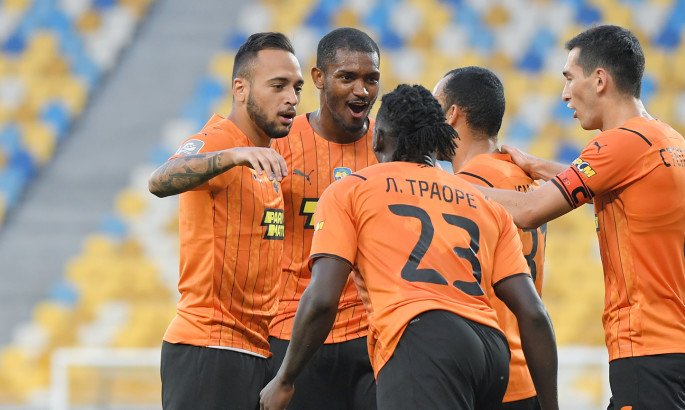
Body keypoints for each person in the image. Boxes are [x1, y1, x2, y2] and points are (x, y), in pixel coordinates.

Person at [260, 84, 559, 410]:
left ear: (377, 138)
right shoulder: (483, 201)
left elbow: (321, 298)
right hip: (490, 351)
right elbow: (533, 313)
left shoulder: (351, 190)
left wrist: (284, 379)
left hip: (421, 339)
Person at [477, 25, 685, 409]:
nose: (564, 93)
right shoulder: (667, 140)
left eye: (570, 78)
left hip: (646, 347)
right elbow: (617, 187)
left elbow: (528, 211)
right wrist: (538, 165)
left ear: (600, 80)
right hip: (672, 345)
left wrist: (440, 184)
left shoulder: (619, 142)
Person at [148, 32, 304, 410]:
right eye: (278, 86)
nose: (291, 98)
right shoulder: (220, 140)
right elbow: (160, 180)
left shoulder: (267, 157)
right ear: (240, 89)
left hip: (255, 350)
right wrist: (233, 155)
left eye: (296, 87)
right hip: (209, 347)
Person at [267, 27, 380, 409]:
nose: (361, 91)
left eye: (371, 79)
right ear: (318, 77)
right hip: (292, 333)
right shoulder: (280, 144)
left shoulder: (388, 147)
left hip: (370, 333)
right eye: (347, 77)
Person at [433, 66, 547, 410]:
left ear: (452, 114)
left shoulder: (462, 189)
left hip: (486, 377)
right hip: (529, 373)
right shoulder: (529, 180)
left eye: (435, 106)